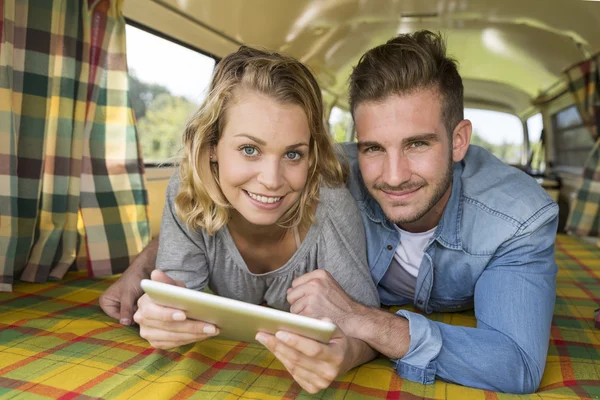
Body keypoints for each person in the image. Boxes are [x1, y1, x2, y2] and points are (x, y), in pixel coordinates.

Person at [101, 31, 559, 394]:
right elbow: (212, 201)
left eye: (418, 143)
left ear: (459, 141)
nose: (394, 175)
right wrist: (145, 264)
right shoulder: (331, 171)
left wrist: (364, 322)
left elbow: (514, 363)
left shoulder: (517, 219)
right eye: (373, 147)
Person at [111, 45, 381, 394]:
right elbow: (177, 300)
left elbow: (365, 327)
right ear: (212, 147)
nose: (271, 179)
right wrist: (162, 320)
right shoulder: (188, 192)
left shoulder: (331, 206)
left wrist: (347, 355)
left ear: (312, 156)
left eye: (293, 154)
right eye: (249, 149)